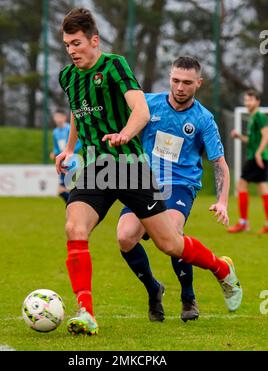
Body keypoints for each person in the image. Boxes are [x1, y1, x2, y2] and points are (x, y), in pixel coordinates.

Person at [56, 7, 242, 336]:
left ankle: (219, 266)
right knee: (75, 227)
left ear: (94, 41)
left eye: (77, 43)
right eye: (67, 44)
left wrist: (125, 134)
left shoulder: (115, 66)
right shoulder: (68, 77)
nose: (71, 51)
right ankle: (86, 311)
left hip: (130, 168)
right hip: (97, 168)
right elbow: (77, 112)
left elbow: (140, 109)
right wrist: (70, 149)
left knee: (170, 243)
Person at [117, 56, 229, 323]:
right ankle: (154, 290)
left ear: (198, 83)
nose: (180, 87)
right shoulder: (148, 105)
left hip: (180, 184)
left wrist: (222, 201)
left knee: (172, 236)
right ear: (170, 78)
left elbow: (219, 163)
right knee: (124, 238)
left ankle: (188, 296)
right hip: (144, 182)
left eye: (187, 82)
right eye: (175, 80)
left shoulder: (203, 119)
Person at [228, 90, 268, 233]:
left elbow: (266, 135)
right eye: (246, 100)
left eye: (250, 100)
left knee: (241, 185)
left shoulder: (259, 116)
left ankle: (243, 223)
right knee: (263, 188)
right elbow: (252, 140)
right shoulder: (253, 117)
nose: (247, 103)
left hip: (256, 157)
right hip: (260, 157)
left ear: (257, 101)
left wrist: (258, 153)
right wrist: (239, 137)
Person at [50, 110, 82, 203]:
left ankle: (75, 207)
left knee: (70, 189)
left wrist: (69, 152)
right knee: (61, 191)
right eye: (56, 117)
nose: (58, 119)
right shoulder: (55, 132)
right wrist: (55, 153)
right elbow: (56, 146)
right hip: (63, 162)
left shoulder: (69, 128)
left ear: (64, 117)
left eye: (60, 117)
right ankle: (73, 206)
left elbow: (78, 142)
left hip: (72, 161)